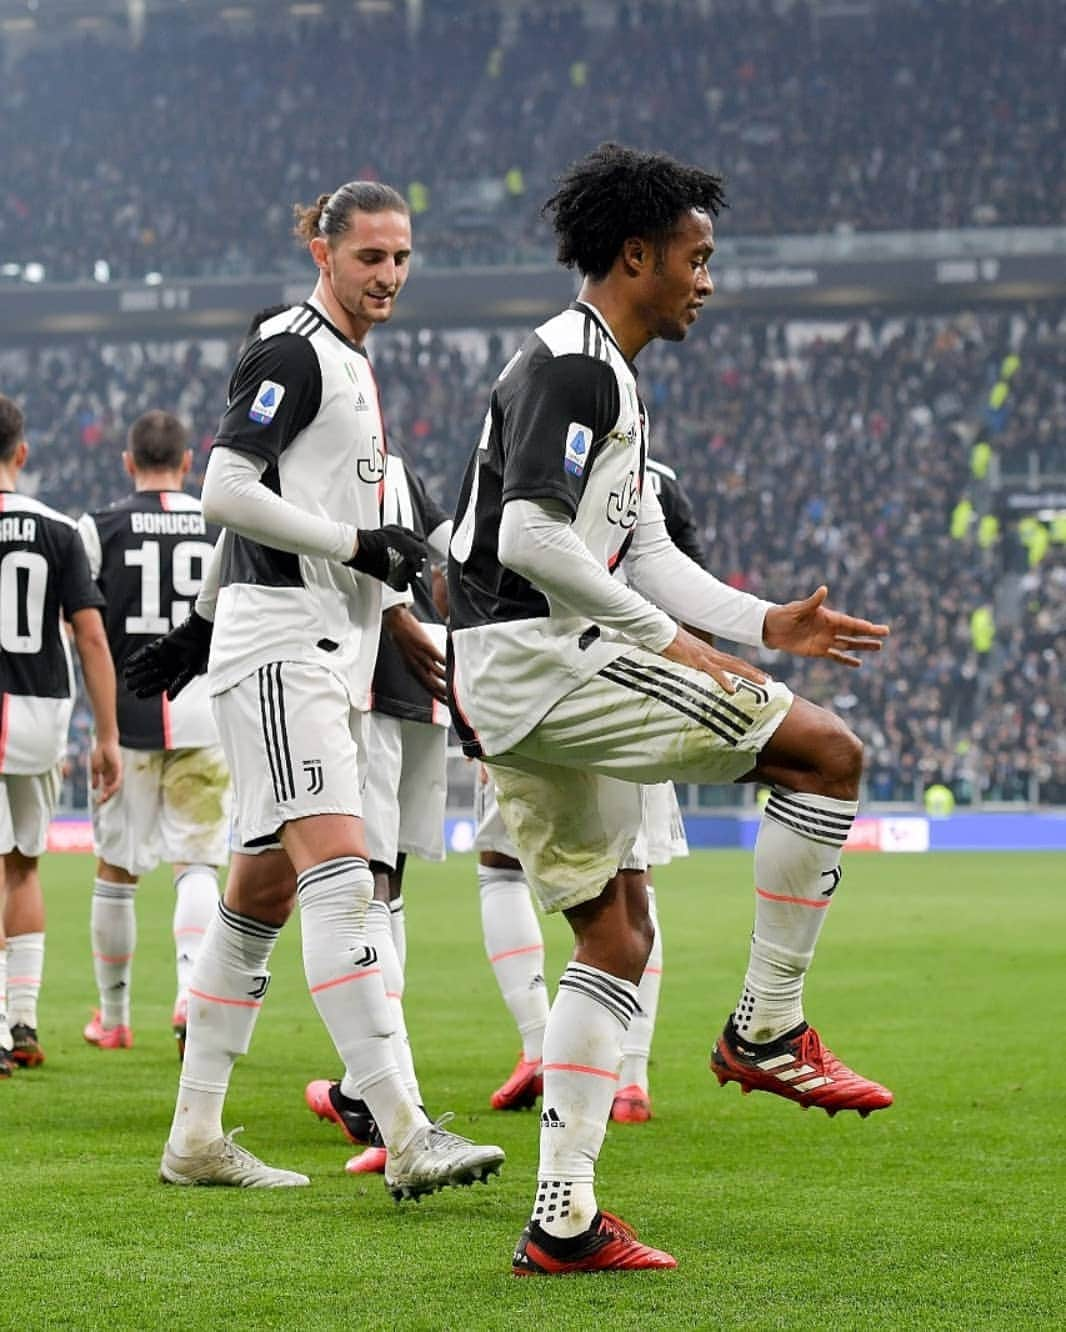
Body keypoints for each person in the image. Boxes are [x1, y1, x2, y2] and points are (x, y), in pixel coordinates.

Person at [447, 143, 892, 1274]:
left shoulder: (605, 371)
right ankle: (766, 1026)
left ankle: (561, 1221)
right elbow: (528, 538)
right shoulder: (575, 368)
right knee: (827, 753)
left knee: (614, 934)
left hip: (516, 665)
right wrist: (681, 649)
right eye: (696, 258)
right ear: (635, 254)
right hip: (543, 656)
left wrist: (761, 624)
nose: (707, 280)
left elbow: (639, 548)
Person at [126, 180, 503, 1196]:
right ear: (323, 253)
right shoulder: (292, 350)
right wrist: (351, 544)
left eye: (401, 258)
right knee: (344, 874)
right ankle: (407, 1129)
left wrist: (211, 624)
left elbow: (277, 512)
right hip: (284, 650)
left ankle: (196, 1136)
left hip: (317, 650)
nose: (388, 275)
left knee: (258, 894)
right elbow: (224, 490)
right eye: (370, 256)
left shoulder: (349, 365)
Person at [481, 456, 699, 1124]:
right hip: (646, 687)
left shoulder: (527, 462)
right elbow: (688, 593)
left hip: (546, 683)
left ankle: (538, 1046)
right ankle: (630, 1077)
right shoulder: (658, 479)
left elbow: (481, 578)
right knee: (639, 880)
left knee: (500, 865)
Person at [305, 449, 454, 1176]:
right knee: (385, 887)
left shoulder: (315, 459)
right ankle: (361, 1084)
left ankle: (389, 1101)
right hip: (431, 674)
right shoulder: (401, 469)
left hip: (362, 676)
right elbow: (454, 550)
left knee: (359, 888)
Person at [76, 410, 229, 1056]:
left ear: (127, 461)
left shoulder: (99, 527)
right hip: (205, 712)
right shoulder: (220, 522)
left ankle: (114, 1018)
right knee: (196, 861)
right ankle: (192, 993)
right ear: (189, 463)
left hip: (129, 715)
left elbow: (77, 626)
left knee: (117, 870)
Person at [0, 394, 122, 1075]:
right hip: (41, 713)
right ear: (22, 454)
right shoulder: (57, 529)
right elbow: (92, 638)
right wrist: (105, 735)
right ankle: (22, 1018)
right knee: (22, 863)